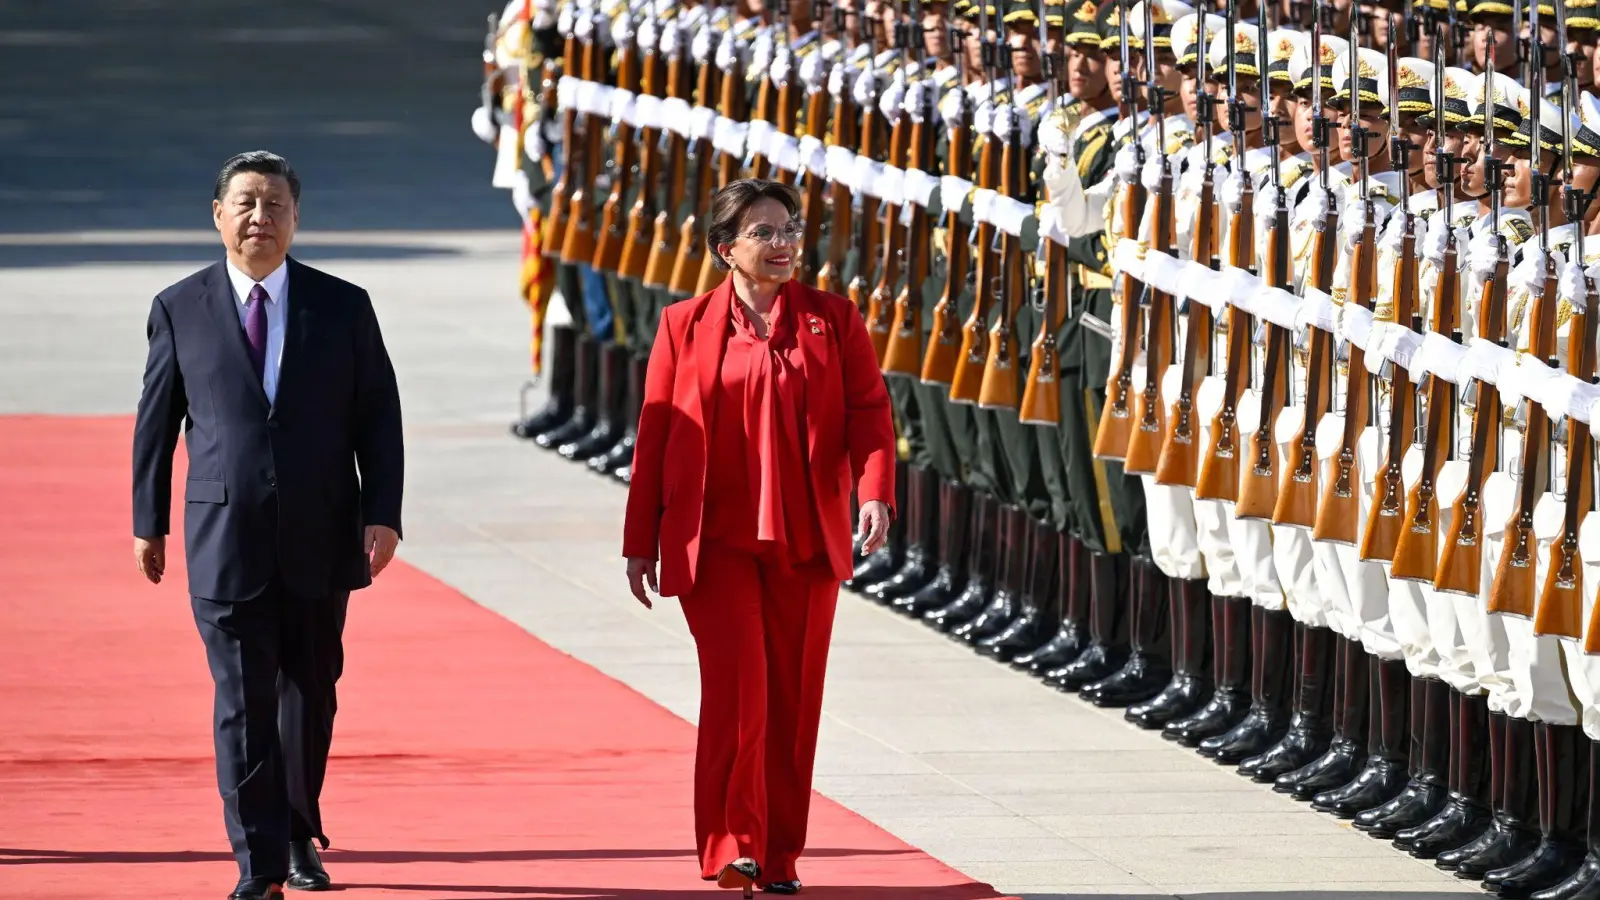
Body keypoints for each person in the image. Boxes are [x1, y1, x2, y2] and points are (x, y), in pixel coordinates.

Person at [131, 150, 404, 900]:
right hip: (225, 538)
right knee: (244, 702)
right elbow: (157, 423)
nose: (261, 217)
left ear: (296, 218)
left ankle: (296, 830)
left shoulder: (342, 306)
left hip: (323, 532)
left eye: (276, 204)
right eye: (246, 203)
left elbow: (378, 416)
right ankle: (258, 863)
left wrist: (383, 512)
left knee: (309, 694)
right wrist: (146, 520)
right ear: (218, 215)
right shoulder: (179, 306)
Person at [621, 178, 896, 896]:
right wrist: (639, 540)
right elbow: (656, 434)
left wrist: (873, 494)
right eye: (764, 233)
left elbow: (869, 413)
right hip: (714, 545)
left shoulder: (833, 319)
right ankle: (731, 847)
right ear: (726, 250)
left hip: (805, 544)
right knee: (739, 694)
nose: (783, 244)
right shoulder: (683, 325)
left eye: (790, 230)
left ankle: (779, 857)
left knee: (793, 705)